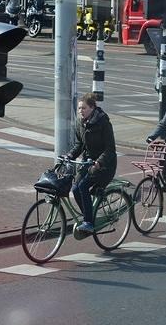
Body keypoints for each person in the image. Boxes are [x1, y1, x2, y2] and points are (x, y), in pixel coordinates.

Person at [65, 93, 117, 233]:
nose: (81, 111)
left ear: (93, 108)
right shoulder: (79, 123)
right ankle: (90, 216)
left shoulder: (103, 122)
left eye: (84, 108)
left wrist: (99, 162)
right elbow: (79, 144)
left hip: (105, 165)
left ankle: (88, 222)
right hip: (88, 163)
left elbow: (110, 149)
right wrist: (70, 155)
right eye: (79, 108)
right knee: (75, 189)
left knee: (82, 186)